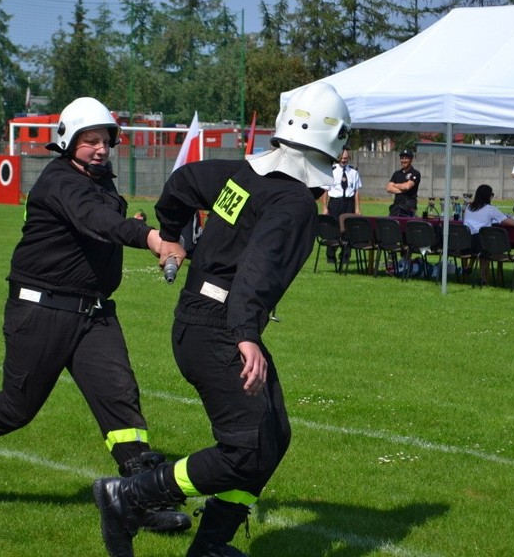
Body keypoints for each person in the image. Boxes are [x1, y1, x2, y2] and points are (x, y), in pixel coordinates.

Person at [92, 82, 351, 557]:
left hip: (202, 319)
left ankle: (210, 545)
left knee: (271, 435)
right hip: (220, 327)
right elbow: (258, 269)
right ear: (333, 145)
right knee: (246, 448)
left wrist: (171, 233)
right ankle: (129, 495)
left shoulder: (243, 176)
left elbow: (183, 183)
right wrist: (247, 335)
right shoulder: (294, 202)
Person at [0, 97, 190, 534]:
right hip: (40, 309)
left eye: (105, 140)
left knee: (120, 398)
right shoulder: (60, 181)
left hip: (94, 314)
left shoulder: (101, 181)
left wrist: (135, 224)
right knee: (17, 407)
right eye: (90, 140)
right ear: (68, 141)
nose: (100, 148)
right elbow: (96, 221)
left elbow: (105, 221)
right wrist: (150, 237)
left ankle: (140, 498)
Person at [463, 184, 514, 282]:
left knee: (479, 242)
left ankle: (470, 265)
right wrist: (512, 218)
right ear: (488, 196)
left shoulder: (468, 208)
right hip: (481, 245)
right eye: (492, 194)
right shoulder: (490, 209)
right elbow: (511, 223)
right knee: (486, 244)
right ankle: (483, 278)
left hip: (466, 244)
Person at [322, 147, 362, 263]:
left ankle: (345, 257)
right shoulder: (331, 171)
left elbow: (356, 192)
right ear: (337, 157)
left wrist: (357, 208)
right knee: (333, 230)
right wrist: (324, 207)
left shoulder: (354, 172)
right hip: (335, 203)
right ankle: (331, 257)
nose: (344, 160)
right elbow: (325, 190)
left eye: (346, 158)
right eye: (341, 158)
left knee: (348, 231)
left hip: (348, 203)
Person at [387, 149, 420, 216]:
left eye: (406, 158)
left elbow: (407, 186)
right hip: (396, 206)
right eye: (402, 158)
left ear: (411, 159)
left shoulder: (415, 173)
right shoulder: (396, 174)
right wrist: (403, 190)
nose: (404, 160)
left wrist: (395, 185)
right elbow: (389, 188)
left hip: (409, 207)